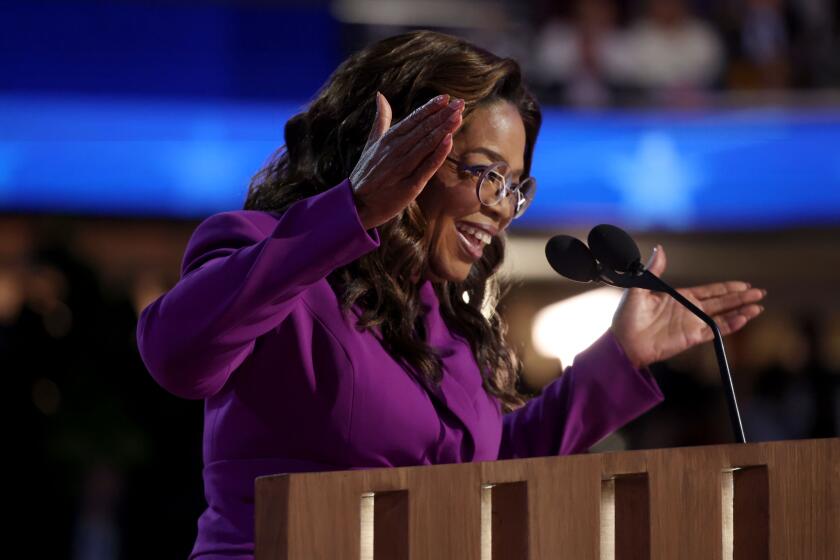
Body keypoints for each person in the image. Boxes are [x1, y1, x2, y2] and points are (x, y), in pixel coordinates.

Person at [136, 30, 765, 559]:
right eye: (486, 173)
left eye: (515, 186)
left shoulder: (443, 318)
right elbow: (175, 352)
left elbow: (476, 479)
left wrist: (617, 361)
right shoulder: (267, 251)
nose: (501, 209)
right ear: (394, 150)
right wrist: (350, 210)